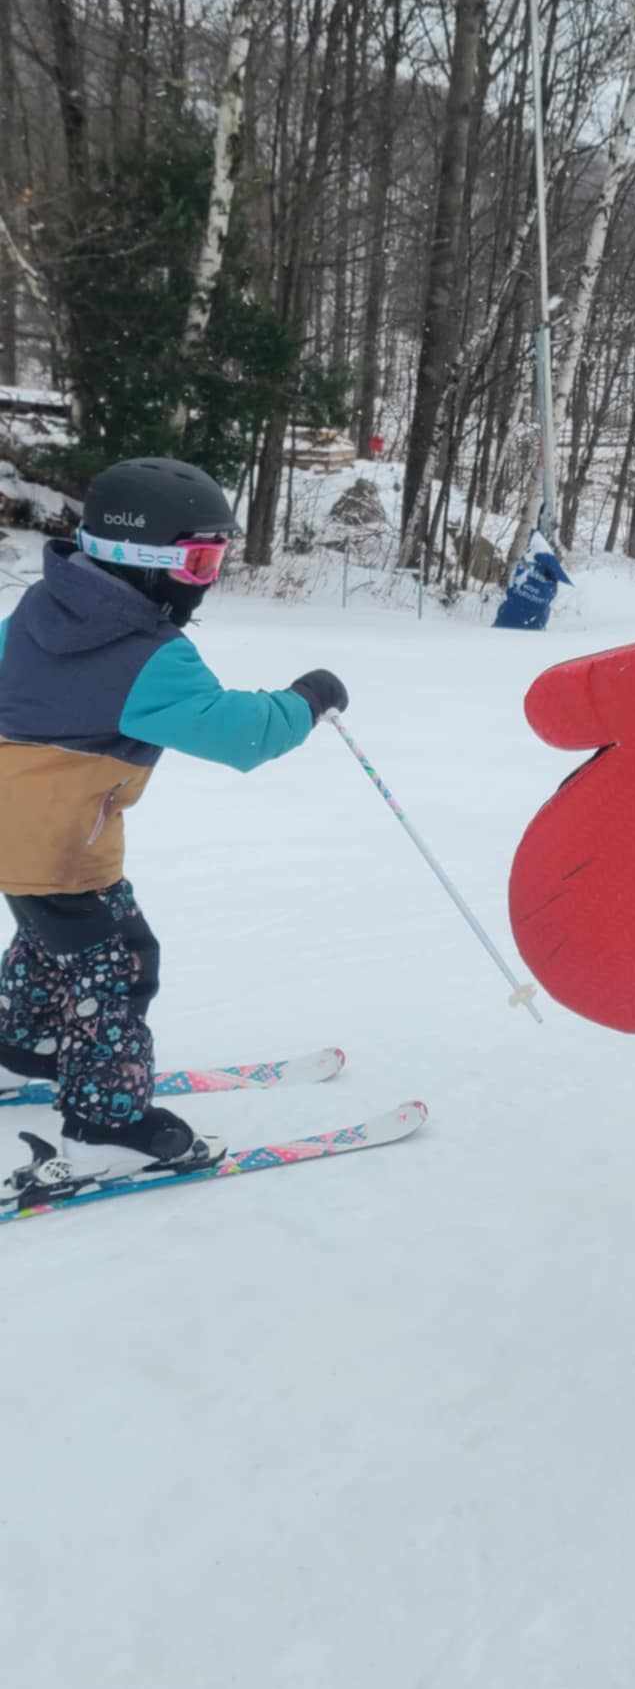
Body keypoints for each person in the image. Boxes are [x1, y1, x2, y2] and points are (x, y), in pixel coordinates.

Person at [0, 455, 347, 1189]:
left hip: (22, 836)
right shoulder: (145, 655)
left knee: (52, 939)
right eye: (198, 561)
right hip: (59, 845)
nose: (208, 581)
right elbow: (240, 732)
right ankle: (107, 1127)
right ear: (141, 562)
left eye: (214, 558)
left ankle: (22, 1049)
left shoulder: (41, 612)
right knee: (119, 964)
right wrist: (307, 699)